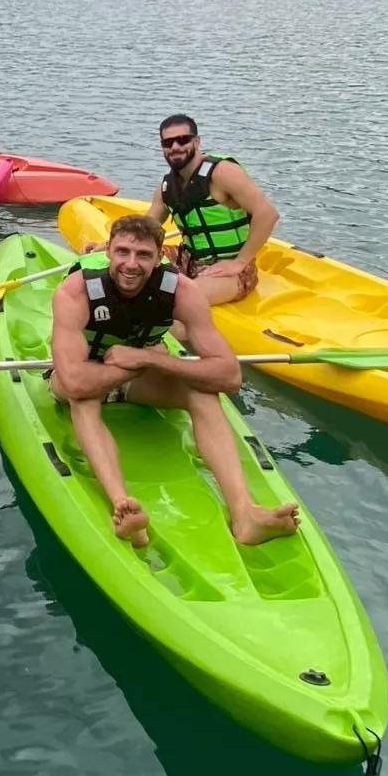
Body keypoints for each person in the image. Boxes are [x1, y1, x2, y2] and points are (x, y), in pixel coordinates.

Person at [49, 214, 299, 549]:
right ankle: (123, 508)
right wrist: (139, 364)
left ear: (159, 257)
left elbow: (229, 376)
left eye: (143, 255)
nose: (131, 264)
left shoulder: (182, 291)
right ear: (108, 251)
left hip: (139, 371)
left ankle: (245, 514)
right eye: (122, 252)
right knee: (85, 399)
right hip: (84, 377)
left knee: (205, 393)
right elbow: (74, 381)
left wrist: (147, 359)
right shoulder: (75, 292)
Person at [145, 114, 279, 306]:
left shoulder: (223, 172)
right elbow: (145, 228)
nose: (175, 147)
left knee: (182, 302)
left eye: (183, 140)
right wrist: (106, 247)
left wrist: (239, 263)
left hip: (230, 270)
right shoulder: (166, 187)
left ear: (196, 141)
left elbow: (267, 214)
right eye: (168, 142)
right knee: (125, 264)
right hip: (186, 260)